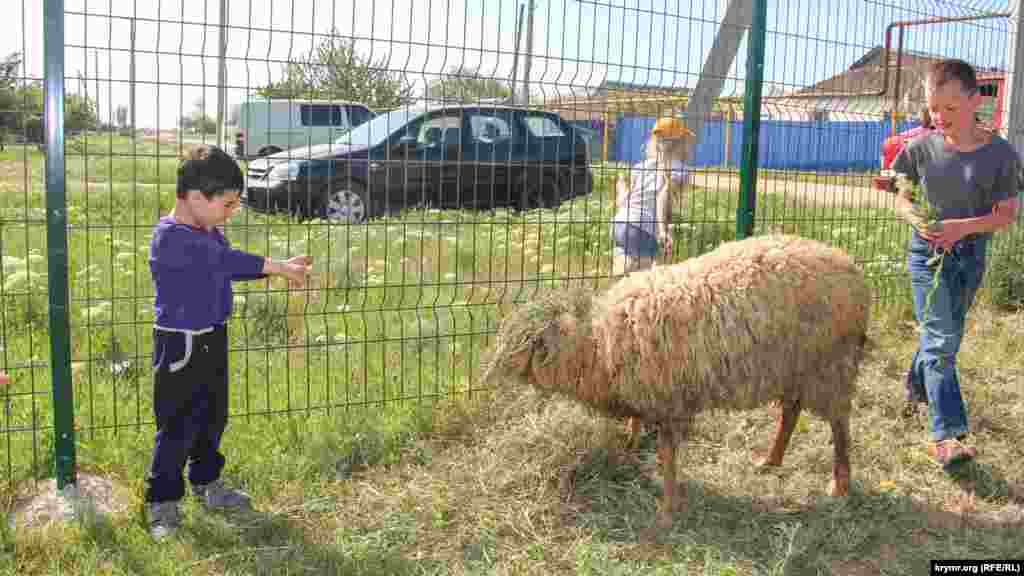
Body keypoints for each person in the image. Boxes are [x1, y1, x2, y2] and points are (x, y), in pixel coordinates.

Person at [145, 145, 312, 538]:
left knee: (212, 416)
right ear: (197, 197)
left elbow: (227, 263)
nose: (232, 211)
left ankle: (206, 483)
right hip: (180, 344)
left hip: (212, 339)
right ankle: (162, 502)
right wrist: (279, 268)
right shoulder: (171, 238)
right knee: (176, 426)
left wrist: (272, 268)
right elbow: (222, 261)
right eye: (228, 203)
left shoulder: (208, 230)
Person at [890, 59, 1020, 470]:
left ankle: (914, 386)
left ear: (974, 99)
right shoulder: (919, 148)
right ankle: (947, 435)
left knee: (942, 337)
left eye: (950, 108)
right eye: (933, 108)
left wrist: (962, 227)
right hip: (926, 256)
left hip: (970, 256)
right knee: (942, 341)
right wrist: (915, 219)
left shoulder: (999, 154)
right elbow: (902, 197)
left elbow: (1006, 214)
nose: (940, 117)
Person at [611, 116, 694, 276]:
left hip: (621, 222)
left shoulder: (641, 167)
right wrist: (662, 230)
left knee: (628, 266)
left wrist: (621, 186)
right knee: (643, 277)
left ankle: (618, 283)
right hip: (643, 227)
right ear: (681, 144)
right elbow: (663, 196)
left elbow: (623, 201)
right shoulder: (679, 170)